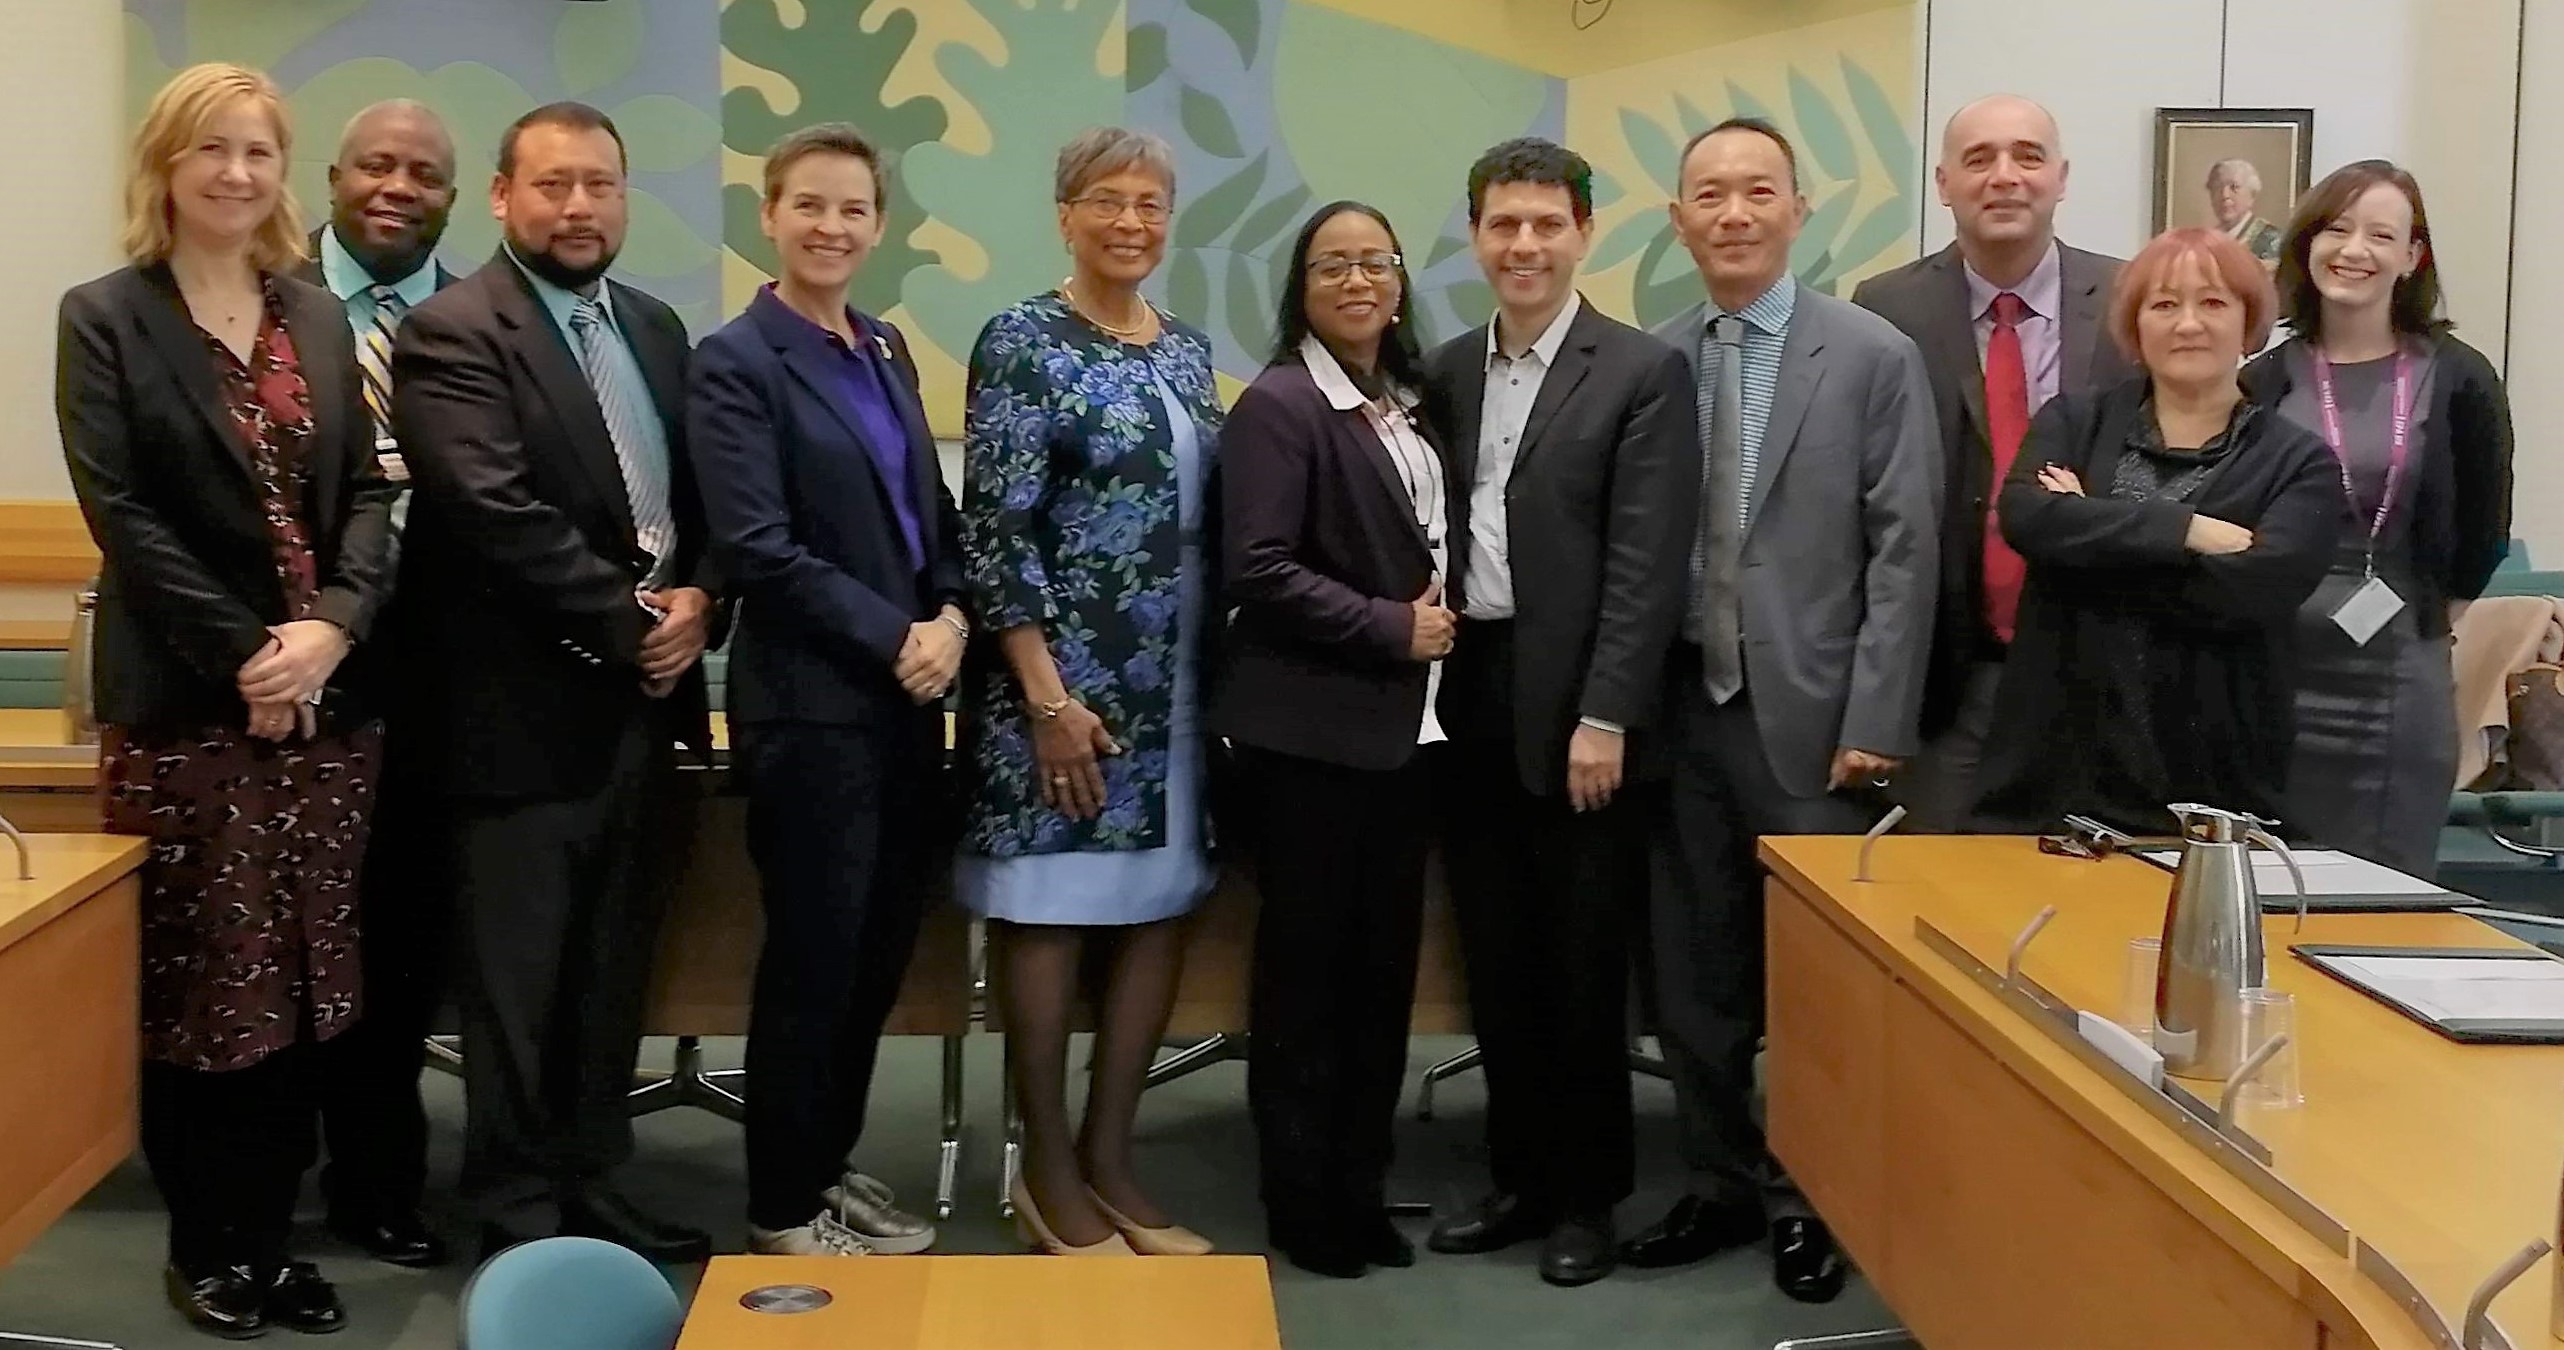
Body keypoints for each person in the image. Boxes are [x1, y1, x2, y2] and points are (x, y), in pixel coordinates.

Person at [58, 62, 395, 1338]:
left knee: (308, 983)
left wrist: (328, 633)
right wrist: (253, 654)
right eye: (211, 150)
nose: (236, 174)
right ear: (166, 166)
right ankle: (207, 1245)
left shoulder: (312, 314)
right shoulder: (104, 315)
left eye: (256, 151)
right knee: (207, 983)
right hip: (190, 710)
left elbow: (369, 494)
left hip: (324, 706)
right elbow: (122, 514)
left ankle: (272, 1236)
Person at [390, 101, 720, 1263]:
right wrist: (631, 623)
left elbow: (695, 504)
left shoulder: (656, 326)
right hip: (515, 722)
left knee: (606, 979)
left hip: (641, 716)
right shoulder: (453, 330)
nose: (578, 207)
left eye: (599, 185)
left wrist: (698, 600)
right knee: (518, 994)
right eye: (553, 185)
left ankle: (591, 1188)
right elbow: (491, 512)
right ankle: (515, 1213)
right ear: (501, 196)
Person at [1623, 118, 1939, 1304]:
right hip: (1680, 713)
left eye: (1758, 192)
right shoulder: (1653, 359)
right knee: (1692, 976)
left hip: (1816, 721)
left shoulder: (1868, 353)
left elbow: (1906, 548)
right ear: (1677, 219)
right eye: (1709, 194)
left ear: (1797, 211)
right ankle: (1714, 1180)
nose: (1734, 214)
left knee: (1811, 981)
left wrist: (1880, 714)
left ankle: (1813, 1202)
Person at [1419, 138, 1696, 1289]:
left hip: (1582, 705)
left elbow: (1643, 565)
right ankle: (1518, 1176)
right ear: (1475, 235)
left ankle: (1587, 1198)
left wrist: (1605, 715)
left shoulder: (1636, 372)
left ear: (1583, 232)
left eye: (1544, 224)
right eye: (1501, 225)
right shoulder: (1442, 368)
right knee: (1497, 959)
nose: (1522, 245)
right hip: (1467, 690)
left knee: (1584, 965)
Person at [690, 123, 961, 1258]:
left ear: (878, 225)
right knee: (812, 961)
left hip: (905, 709)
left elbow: (928, 517)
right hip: (810, 711)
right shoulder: (734, 360)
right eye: (809, 205)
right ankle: (779, 1208)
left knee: (876, 959)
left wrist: (951, 615)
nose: (831, 227)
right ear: (769, 214)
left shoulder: (885, 348)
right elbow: (757, 546)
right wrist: (899, 632)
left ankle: (823, 1163)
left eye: (853, 210)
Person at [958, 126, 1225, 1258]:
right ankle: (1046, 1168)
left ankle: (1111, 1154)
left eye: (1151, 204)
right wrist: (1043, 696)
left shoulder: (1185, 349)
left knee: (1159, 907)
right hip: (1059, 688)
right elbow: (995, 526)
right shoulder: (1021, 339)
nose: (1130, 222)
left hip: (1173, 691)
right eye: (1106, 201)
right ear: (1064, 213)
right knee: (1049, 910)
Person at [1216, 201, 1447, 1279]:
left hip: (1409, 739)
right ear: (1300, 289)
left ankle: (1359, 1186)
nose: (1357, 280)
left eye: (1375, 261)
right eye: (1331, 266)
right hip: (1308, 741)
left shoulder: (1409, 400)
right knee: (1306, 982)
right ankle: (1301, 1200)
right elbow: (1256, 569)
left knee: (1380, 978)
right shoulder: (1280, 405)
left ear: (1399, 278)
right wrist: (1388, 626)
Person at [1973, 228, 2343, 836]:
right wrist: (2186, 529)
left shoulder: (2299, 463)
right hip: (2055, 773)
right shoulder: (2074, 419)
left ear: (2249, 323)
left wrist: (2086, 538)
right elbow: (2025, 517)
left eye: (2214, 303)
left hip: (2214, 780)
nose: (2188, 324)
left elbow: (2257, 590)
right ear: (2135, 324)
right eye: (2165, 304)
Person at [1853, 94, 2134, 830]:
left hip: (2096, 665)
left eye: (2027, 156)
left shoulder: (2133, 300)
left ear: (2062, 178)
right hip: (1953, 672)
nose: (2004, 176)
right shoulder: (1886, 308)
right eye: (1979, 159)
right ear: (1944, 183)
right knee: (1939, 897)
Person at [291, 95, 460, 1271]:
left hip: (442, 683)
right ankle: (248, 1182)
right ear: (334, 177)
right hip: (292, 671)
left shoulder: (481, 317)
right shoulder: (265, 304)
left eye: (424, 174)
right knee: (272, 945)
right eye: (377, 167)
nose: (397, 188)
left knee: (398, 949)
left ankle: (380, 1181)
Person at [2244, 161, 2514, 874]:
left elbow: (2485, 526)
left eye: (2379, 234)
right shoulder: (2263, 379)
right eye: (2336, 228)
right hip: (2273, 679)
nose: (2353, 250)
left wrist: (2431, 620)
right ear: (2307, 244)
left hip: (2397, 676)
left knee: (2386, 898)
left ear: (2410, 257)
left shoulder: (2458, 375)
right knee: (2272, 890)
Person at [2209, 159, 2284, 268]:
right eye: (2217, 187)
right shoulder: (2207, 241)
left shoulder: (2272, 240)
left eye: (2234, 187)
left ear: (2252, 195)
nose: (2225, 195)